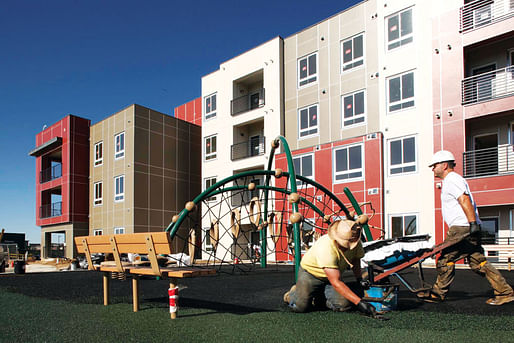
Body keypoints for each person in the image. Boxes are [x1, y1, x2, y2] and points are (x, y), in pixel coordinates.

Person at [419, 150, 514, 305]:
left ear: (444, 165)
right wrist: (473, 224)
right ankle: (505, 292)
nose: (432, 169)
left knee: (445, 259)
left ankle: (438, 293)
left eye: (434, 165)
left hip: (462, 227)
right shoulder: (453, 180)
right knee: (478, 262)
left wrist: (472, 223)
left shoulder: (452, 180)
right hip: (467, 226)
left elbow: (464, 199)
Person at [283, 216, 378, 317]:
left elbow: (355, 259)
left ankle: (319, 296)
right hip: (311, 274)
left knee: (343, 305)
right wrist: (359, 303)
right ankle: (292, 294)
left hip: (331, 278)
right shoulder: (326, 248)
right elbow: (336, 282)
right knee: (301, 307)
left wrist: (359, 278)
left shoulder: (355, 242)